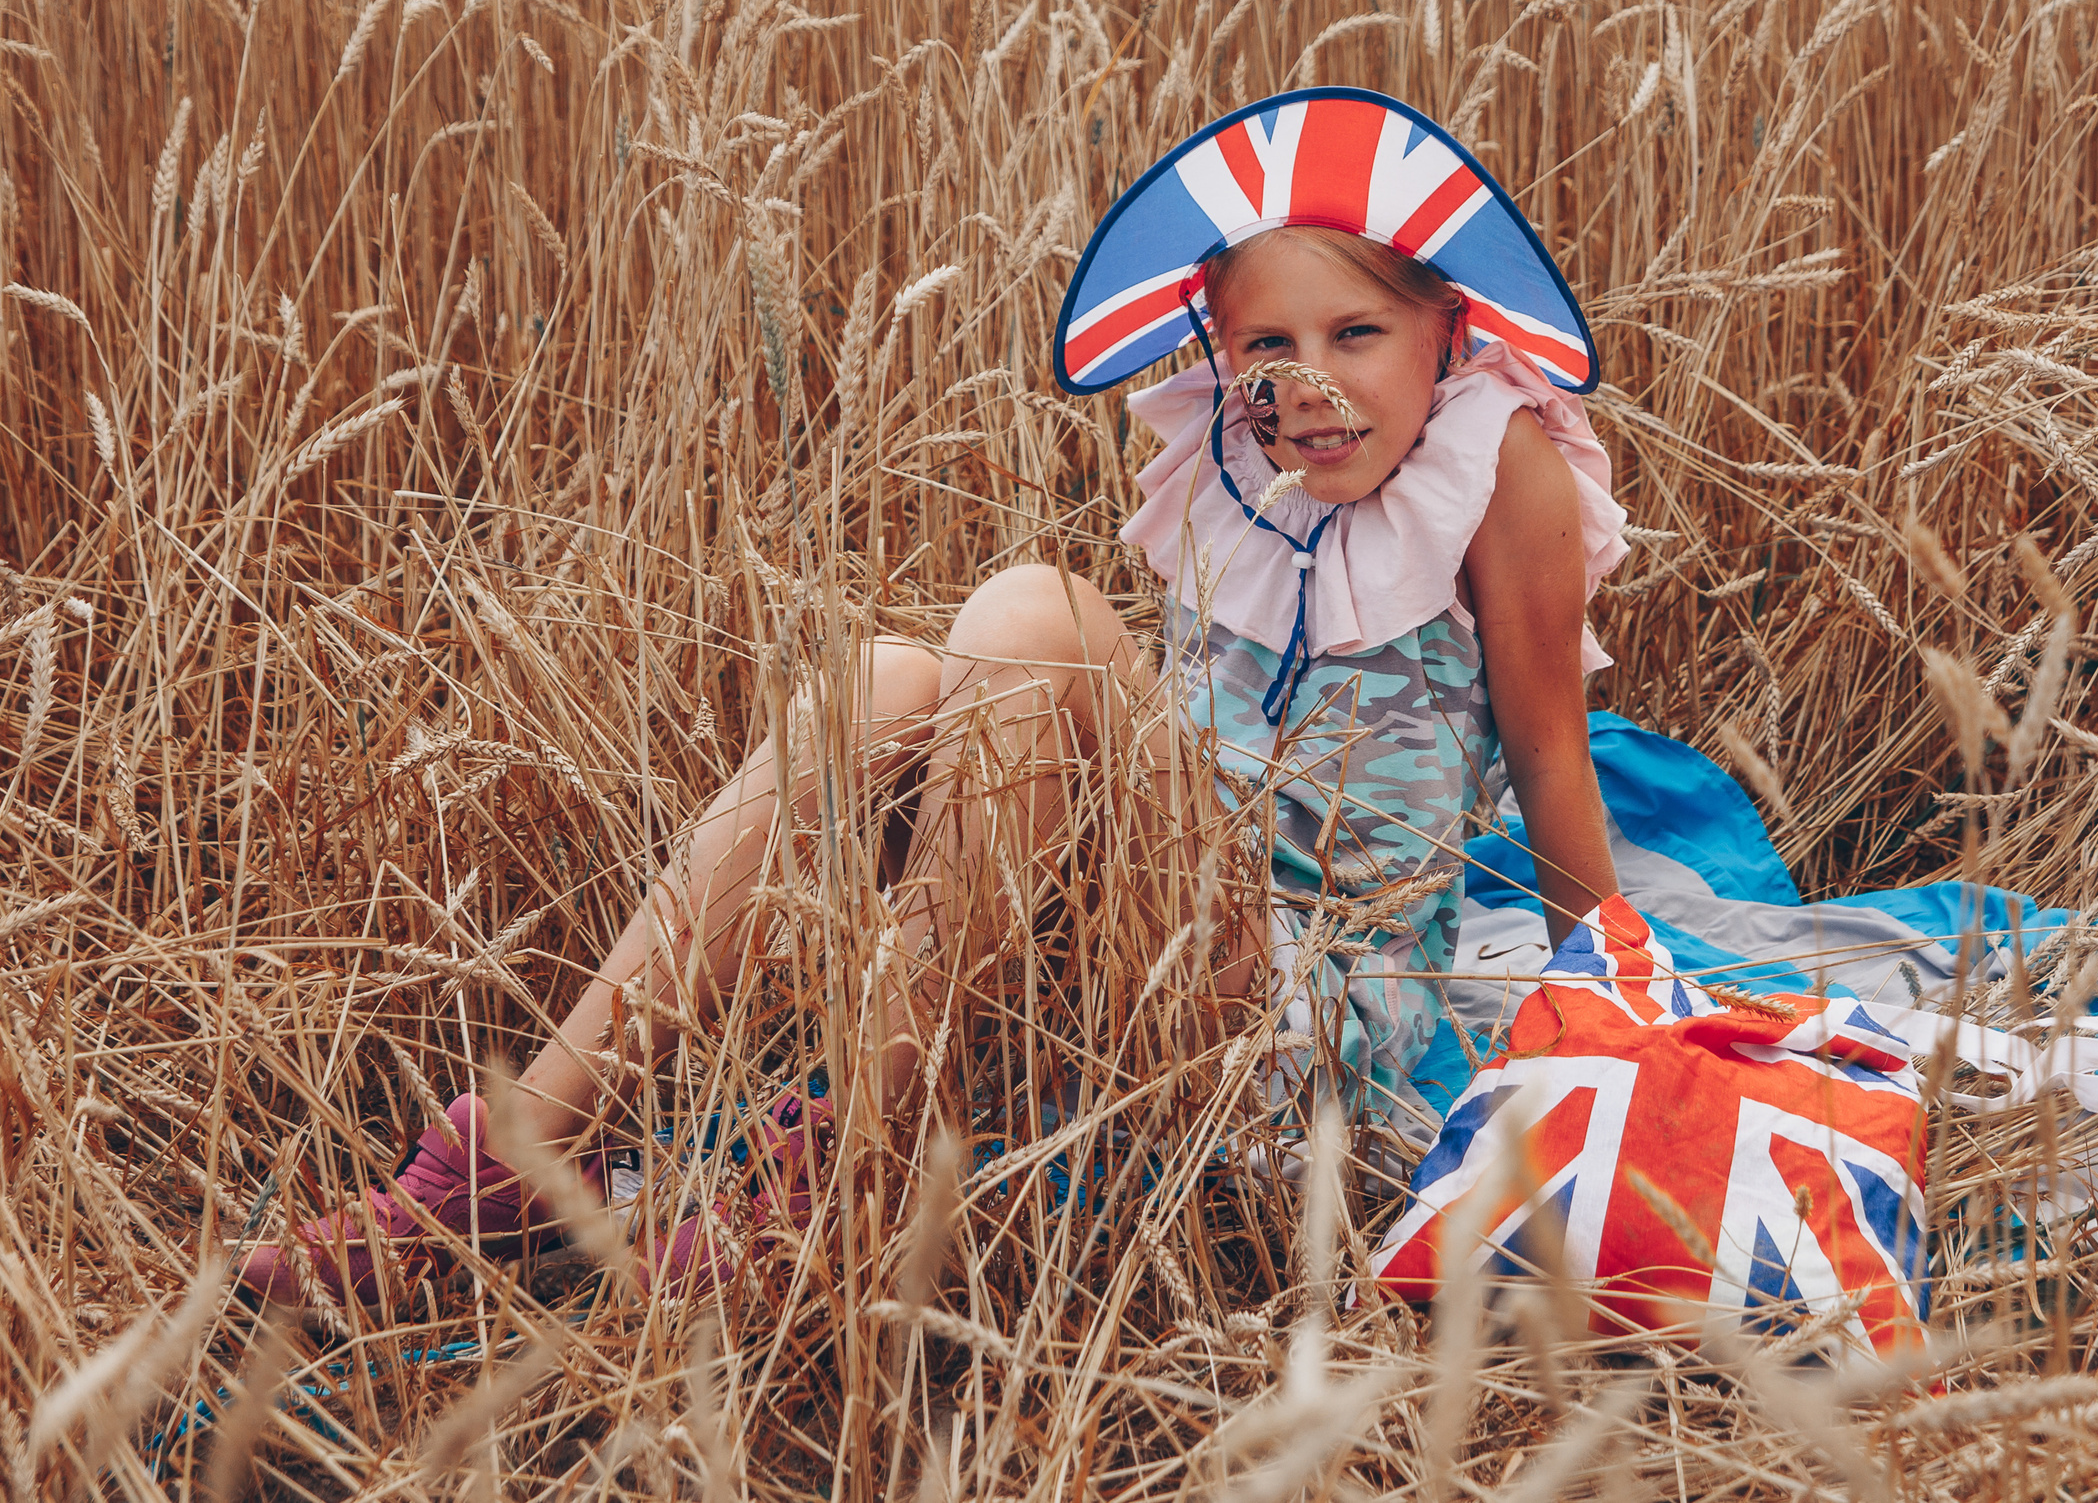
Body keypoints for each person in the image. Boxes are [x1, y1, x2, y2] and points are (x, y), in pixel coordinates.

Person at [238, 88, 1630, 1307]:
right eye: (1264, 344)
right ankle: (524, 1148)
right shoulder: (1228, 457)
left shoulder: (1497, 466)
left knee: (1034, 615)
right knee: (878, 683)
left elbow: (1552, 756)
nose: (1307, 384)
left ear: (1447, 327)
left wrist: (1625, 1014)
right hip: (1138, 946)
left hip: (1301, 1022)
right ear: (1217, 346)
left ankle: (856, 1173)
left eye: (1357, 331)